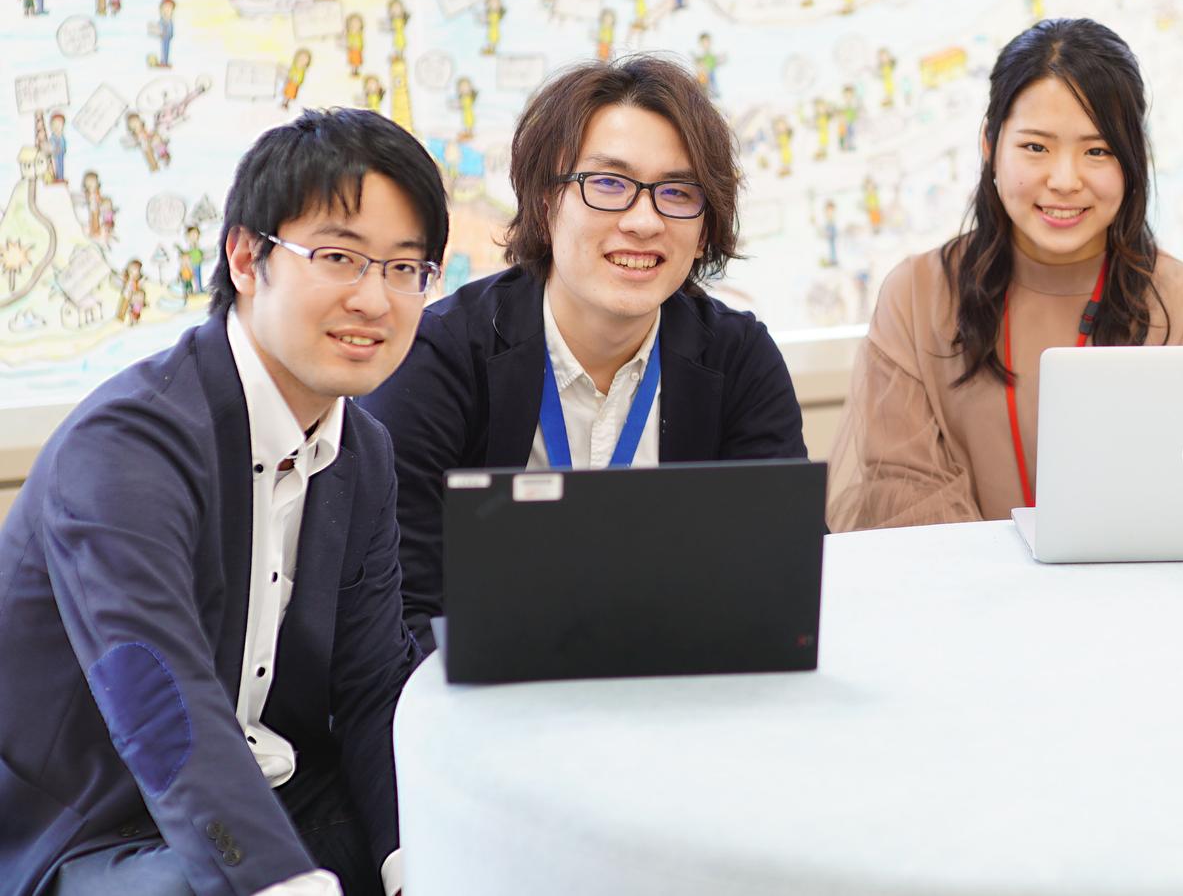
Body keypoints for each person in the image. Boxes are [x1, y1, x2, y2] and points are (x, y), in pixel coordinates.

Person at [0, 108, 448, 896]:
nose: (375, 299)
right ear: (246, 256)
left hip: (284, 793)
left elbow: (375, 685)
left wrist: (421, 864)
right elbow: (158, 698)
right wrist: (280, 881)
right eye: (339, 257)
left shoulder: (363, 449)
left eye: (405, 267)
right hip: (102, 826)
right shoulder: (126, 446)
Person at [365, 55, 807, 649]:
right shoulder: (439, 359)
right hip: (485, 690)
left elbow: (781, 583)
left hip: (682, 684)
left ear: (704, 228)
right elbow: (402, 608)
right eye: (608, 185)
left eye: (678, 192)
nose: (644, 221)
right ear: (546, 201)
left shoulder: (738, 360)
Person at [826, 17, 1183, 531]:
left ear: (1132, 162)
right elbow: (905, 493)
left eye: (1097, 151)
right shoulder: (916, 296)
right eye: (1036, 147)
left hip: (1126, 579)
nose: (1064, 180)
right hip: (959, 580)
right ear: (989, 145)